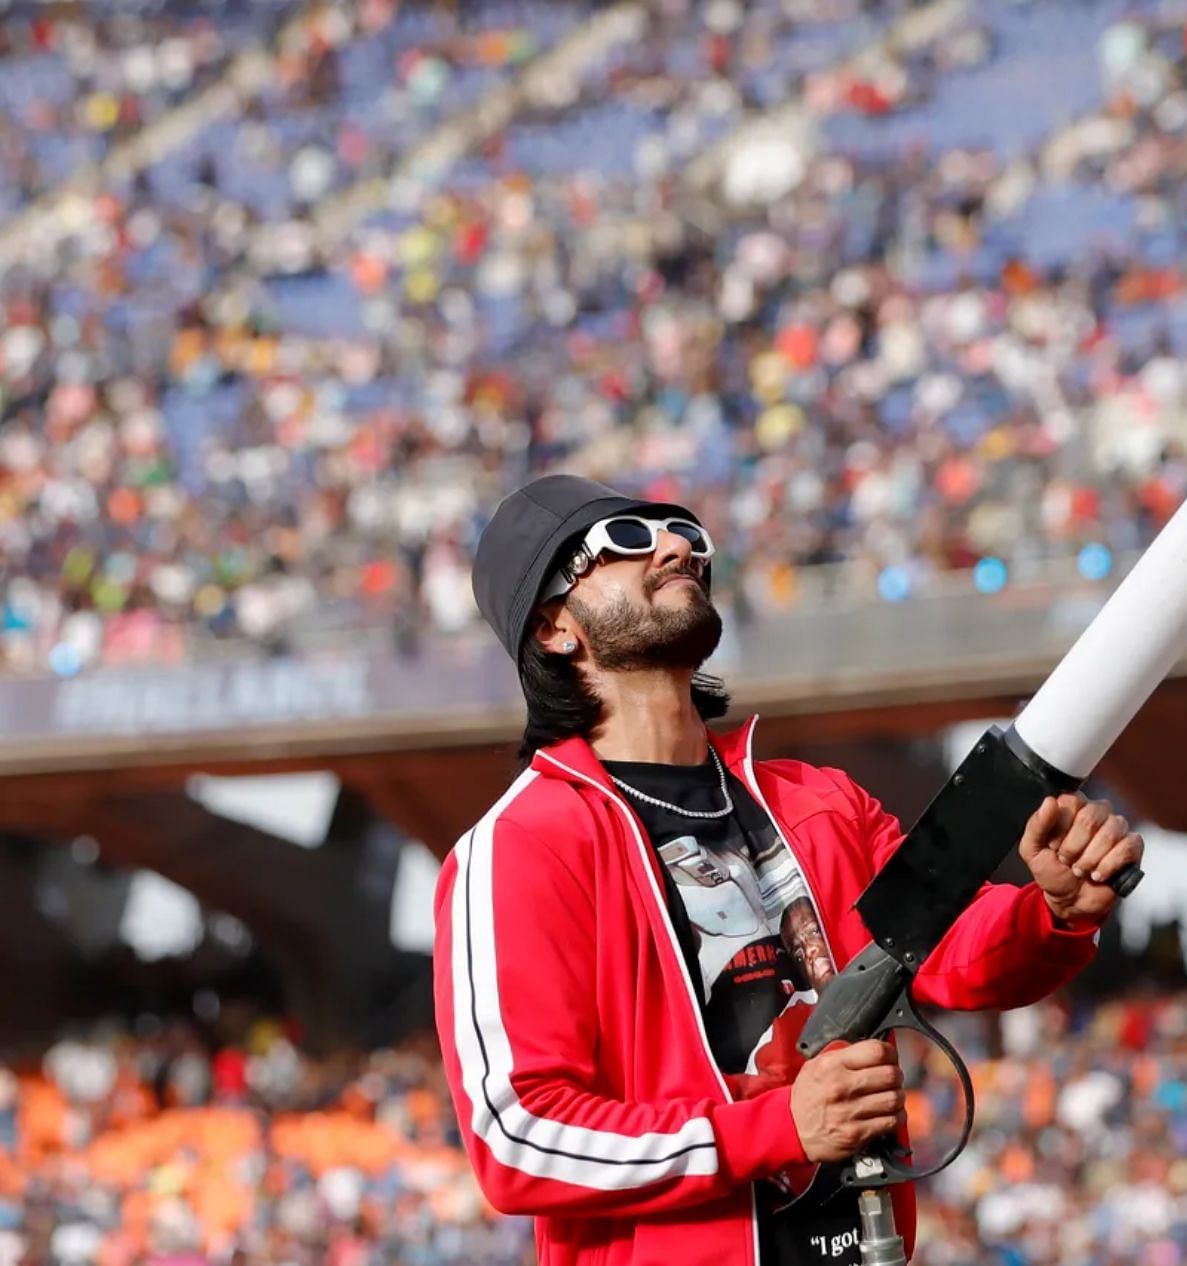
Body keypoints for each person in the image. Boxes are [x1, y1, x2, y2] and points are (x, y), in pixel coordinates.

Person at [435, 474, 1143, 1266]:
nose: (676, 548)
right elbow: (518, 1138)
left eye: (683, 533)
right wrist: (776, 1128)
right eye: (627, 542)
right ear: (555, 628)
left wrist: (1053, 910)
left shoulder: (814, 801)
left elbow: (947, 948)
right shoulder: (523, 846)